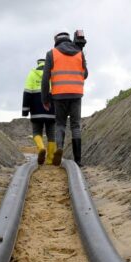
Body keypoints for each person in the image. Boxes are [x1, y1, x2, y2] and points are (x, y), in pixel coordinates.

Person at [41, 31, 88, 165]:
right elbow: (85, 74)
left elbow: (45, 79)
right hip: (76, 94)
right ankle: (78, 161)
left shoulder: (52, 53)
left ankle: (60, 149)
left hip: (59, 95)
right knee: (75, 126)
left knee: (60, 124)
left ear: (56, 40)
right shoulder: (79, 52)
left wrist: (45, 99)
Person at [21, 57, 55, 165]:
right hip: (51, 110)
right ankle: (50, 159)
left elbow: (27, 93)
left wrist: (25, 110)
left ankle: (41, 148)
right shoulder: (53, 75)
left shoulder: (32, 74)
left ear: (38, 64)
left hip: (36, 111)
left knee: (36, 132)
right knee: (51, 134)